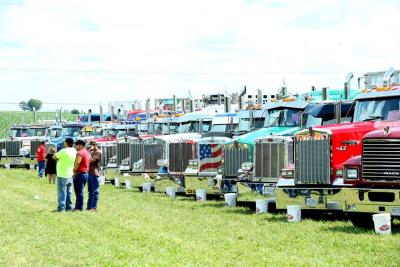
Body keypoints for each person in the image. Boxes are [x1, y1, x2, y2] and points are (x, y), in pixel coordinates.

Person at [53, 138, 76, 212]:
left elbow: (54, 157)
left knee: (62, 191)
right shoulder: (74, 150)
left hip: (62, 173)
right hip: (70, 173)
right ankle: (69, 206)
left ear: (66, 143)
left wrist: (55, 153)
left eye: (64, 142)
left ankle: (61, 207)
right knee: (69, 191)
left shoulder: (63, 151)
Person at [72, 140, 90, 211]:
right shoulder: (86, 152)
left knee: (79, 191)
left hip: (80, 173)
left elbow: (77, 163)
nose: (75, 146)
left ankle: (79, 207)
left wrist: (73, 171)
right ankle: (79, 206)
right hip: (86, 173)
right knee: (80, 191)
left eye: (76, 145)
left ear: (80, 145)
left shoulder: (79, 153)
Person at [87, 141, 102, 211]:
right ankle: (89, 206)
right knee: (90, 191)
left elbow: (91, 161)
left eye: (91, 146)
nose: (90, 148)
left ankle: (94, 207)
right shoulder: (92, 152)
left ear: (94, 145)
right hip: (89, 172)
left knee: (95, 191)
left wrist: (89, 153)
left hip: (95, 173)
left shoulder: (98, 152)